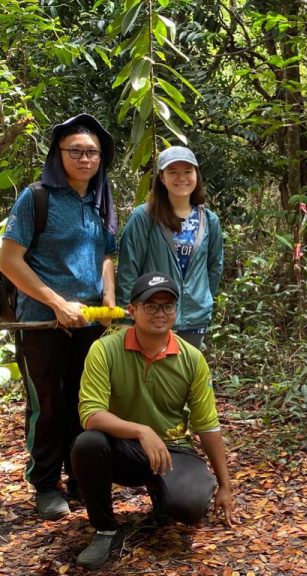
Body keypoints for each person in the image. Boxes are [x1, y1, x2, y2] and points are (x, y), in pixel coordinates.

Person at [71, 271, 236, 569]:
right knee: (88, 444)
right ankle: (106, 528)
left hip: (173, 449)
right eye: (150, 305)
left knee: (190, 507)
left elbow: (207, 426)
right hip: (124, 448)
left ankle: (165, 497)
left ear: (176, 311)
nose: (160, 313)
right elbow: (90, 415)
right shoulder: (105, 349)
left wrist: (225, 485)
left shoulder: (191, 358)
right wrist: (140, 430)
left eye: (167, 306)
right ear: (132, 310)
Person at [0, 113, 117, 520]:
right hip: (42, 324)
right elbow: (9, 261)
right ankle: (46, 484)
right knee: (48, 405)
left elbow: (105, 254)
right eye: (76, 152)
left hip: (88, 323)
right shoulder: (36, 197)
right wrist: (56, 302)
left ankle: (79, 478)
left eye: (92, 153)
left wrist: (108, 298)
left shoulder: (100, 199)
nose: (85, 159)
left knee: (84, 403)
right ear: (59, 154)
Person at [116, 146, 223, 348]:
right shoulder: (144, 217)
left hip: (194, 319)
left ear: (196, 176)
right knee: (151, 377)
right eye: (173, 172)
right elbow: (129, 267)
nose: (181, 178)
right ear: (162, 178)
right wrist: (126, 316)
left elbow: (214, 267)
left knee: (187, 376)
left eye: (187, 171)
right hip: (152, 317)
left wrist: (204, 301)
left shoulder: (209, 220)